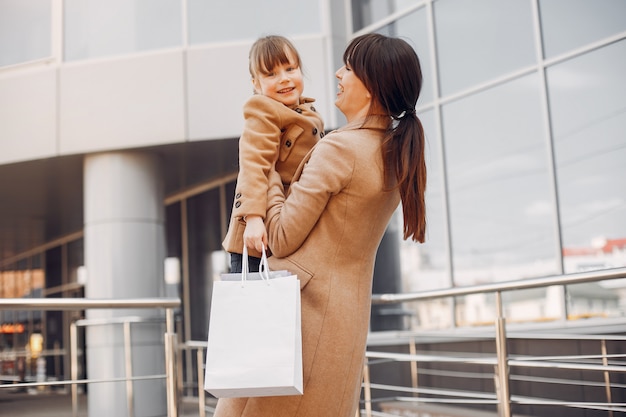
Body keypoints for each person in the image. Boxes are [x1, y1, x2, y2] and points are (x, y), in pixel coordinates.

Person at [213, 33, 427, 417]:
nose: (338, 73)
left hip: (300, 322)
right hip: (343, 321)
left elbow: (279, 237)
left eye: (349, 67)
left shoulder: (340, 148)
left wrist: (272, 174)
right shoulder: (395, 155)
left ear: (371, 84)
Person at [222, 35, 325, 273]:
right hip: (259, 236)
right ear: (256, 84)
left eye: (290, 68)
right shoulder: (263, 110)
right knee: (257, 307)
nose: (284, 79)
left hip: (285, 225)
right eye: (271, 74)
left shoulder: (306, 112)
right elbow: (254, 164)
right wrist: (253, 218)